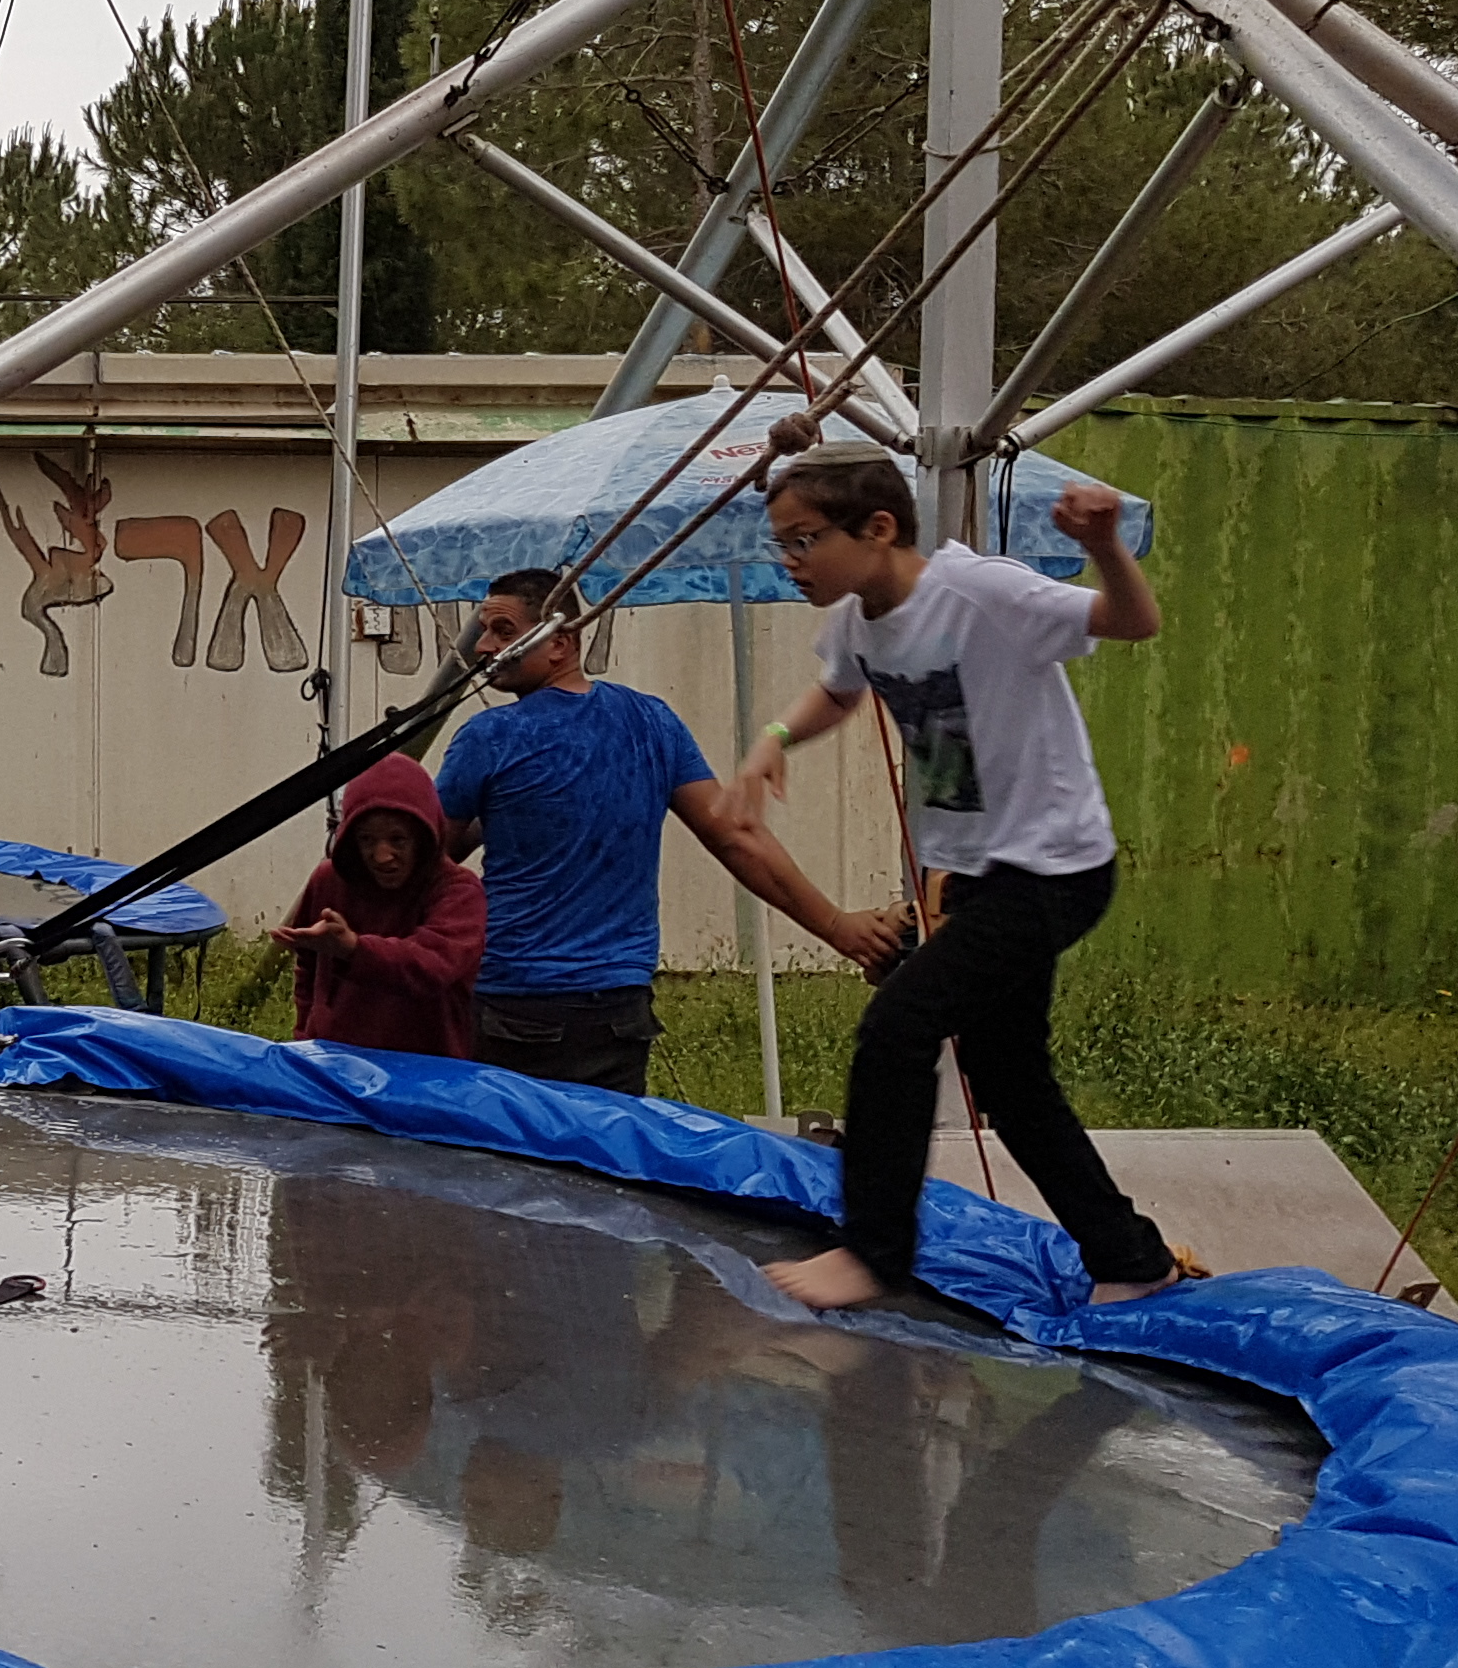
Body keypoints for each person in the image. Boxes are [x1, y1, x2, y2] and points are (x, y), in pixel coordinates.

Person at [730, 446, 1180, 1312]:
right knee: (1009, 1078)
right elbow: (841, 690)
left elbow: (1134, 621)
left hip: (1051, 868)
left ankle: (874, 1254)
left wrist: (1104, 547)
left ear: (879, 528)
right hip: (976, 875)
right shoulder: (859, 621)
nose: (790, 560)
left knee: (900, 1027)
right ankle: (1131, 1258)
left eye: (804, 539)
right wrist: (773, 741)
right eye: (781, 543)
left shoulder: (982, 593)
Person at [437, 569, 894, 1096]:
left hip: (515, 1003)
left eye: (502, 631)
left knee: (509, 1145)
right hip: (619, 1011)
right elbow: (735, 836)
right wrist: (836, 925)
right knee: (607, 1147)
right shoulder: (650, 721)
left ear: (560, 642)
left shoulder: (490, 737)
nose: (484, 648)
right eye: (484, 632)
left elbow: (422, 855)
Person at [265, 753, 485, 1057]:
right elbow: (308, 967)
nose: (382, 856)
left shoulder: (459, 892)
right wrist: (306, 1034)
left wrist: (355, 950)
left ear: (423, 838)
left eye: (398, 840)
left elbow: (433, 965)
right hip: (337, 1061)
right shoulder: (329, 880)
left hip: (428, 1070)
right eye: (367, 840)